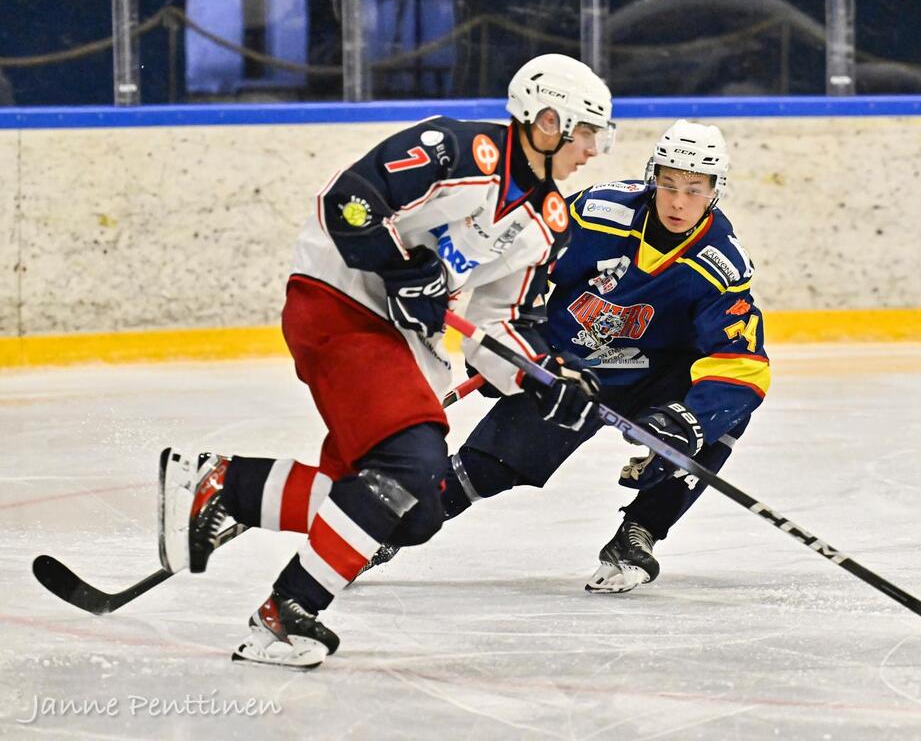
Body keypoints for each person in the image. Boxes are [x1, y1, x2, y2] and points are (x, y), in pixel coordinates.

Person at [158, 53, 614, 668]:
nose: (592, 150)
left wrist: (544, 378)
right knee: (409, 463)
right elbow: (349, 200)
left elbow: (498, 326)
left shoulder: (547, 223)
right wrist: (402, 269)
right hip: (341, 302)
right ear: (548, 121)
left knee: (412, 513)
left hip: (399, 342)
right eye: (586, 133)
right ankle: (285, 614)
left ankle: (224, 487)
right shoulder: (460, 148)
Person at [371, 119, 771, 593]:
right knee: (484, 468)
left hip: (654, 376)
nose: (678, 202)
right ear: (652, 177)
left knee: (716, 420)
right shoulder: (597, 214)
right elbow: (521, 266)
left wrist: (688, 423)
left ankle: (638, 533)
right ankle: (381, 533)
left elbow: (741, 366)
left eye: (694, 189)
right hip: (566, 369)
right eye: (668, 185)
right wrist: (506, 344)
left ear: (715, 191)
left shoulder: (721, 264)